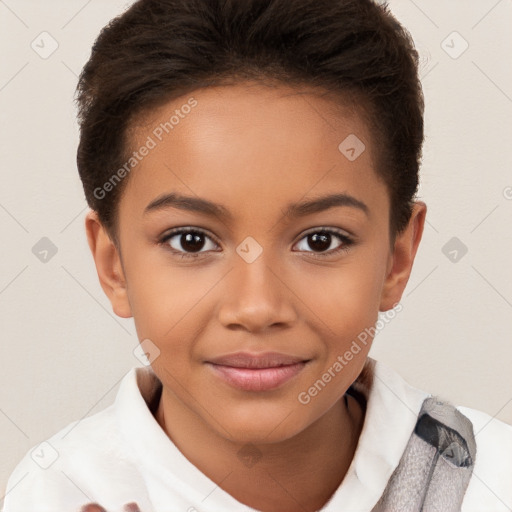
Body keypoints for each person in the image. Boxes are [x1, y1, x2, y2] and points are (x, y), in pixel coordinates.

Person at [3, 0, 511, 511]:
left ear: (397, 258)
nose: (257, 307)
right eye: (191, 241)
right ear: (113, 266)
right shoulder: (52, 493)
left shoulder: (494, 478)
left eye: (320, 240)